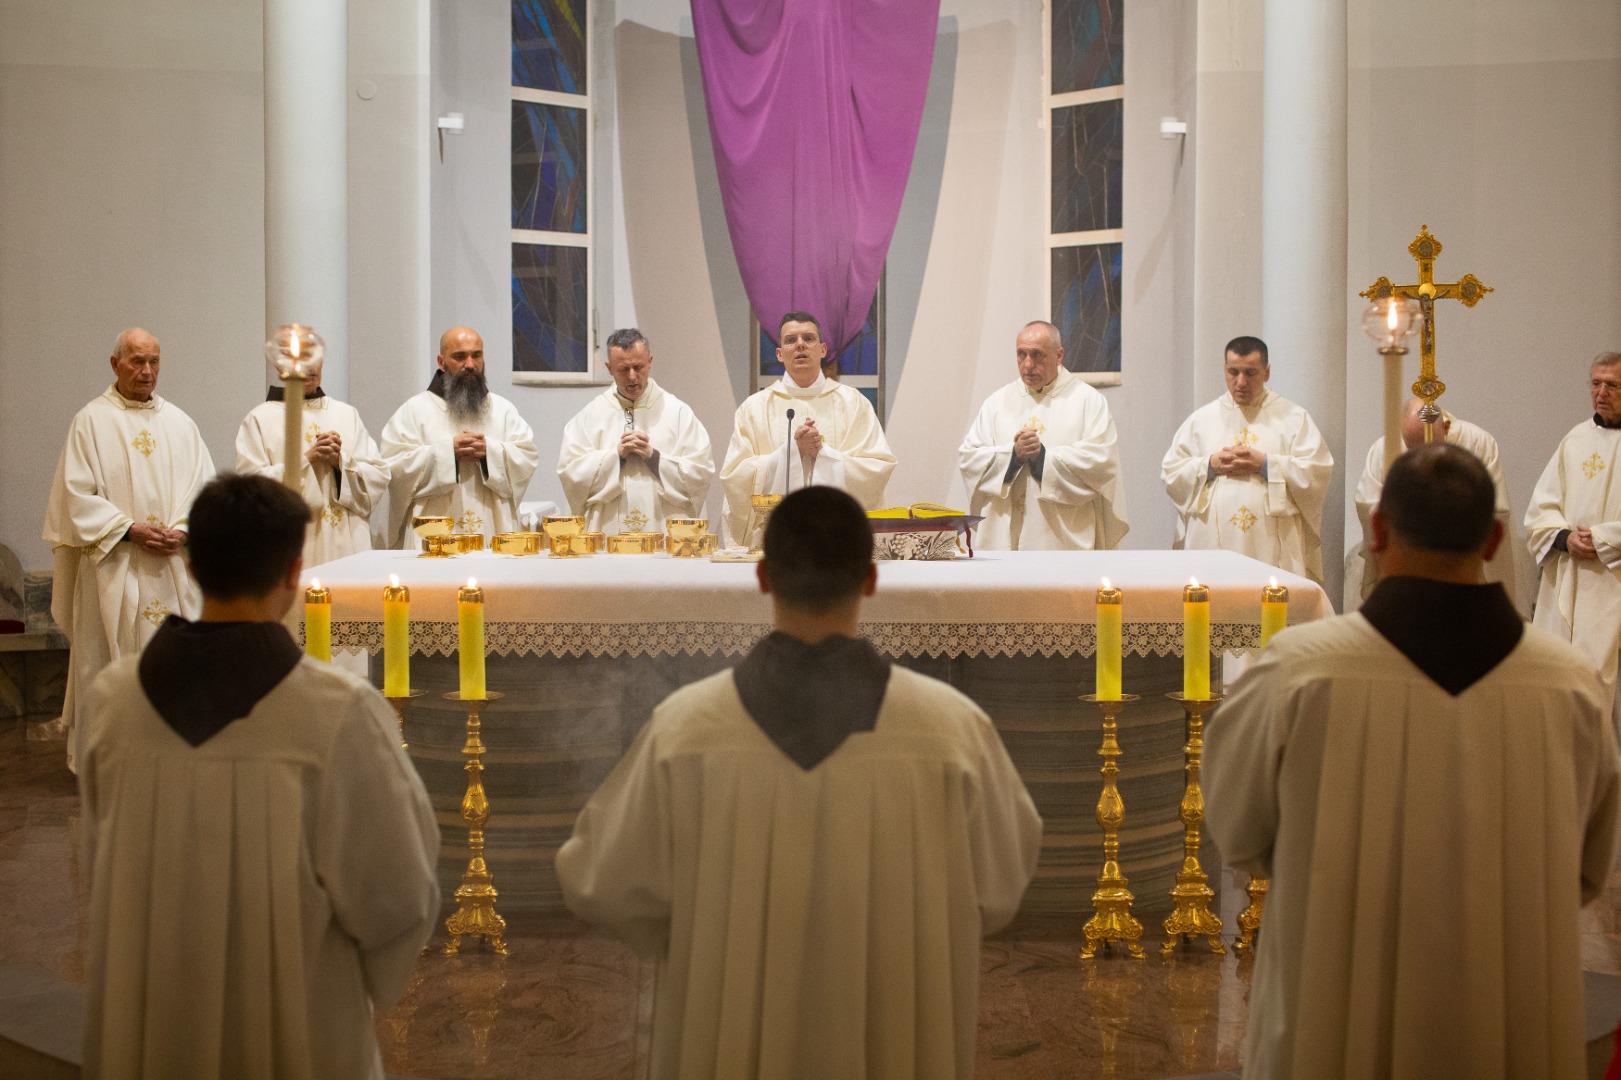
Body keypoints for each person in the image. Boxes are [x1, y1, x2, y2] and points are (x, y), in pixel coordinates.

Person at [556, 486, 1042, 1080]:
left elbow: (602, 882)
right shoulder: (953, 733)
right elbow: (1001, 882)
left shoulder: (684, 731)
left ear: (762, 576)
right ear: (870, 579)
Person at [1206, 443, 1621, 1080]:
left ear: (1377, 530)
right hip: (1506, 1007)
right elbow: (1585, 870)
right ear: (1493, 540)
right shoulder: (1569, 687)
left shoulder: (1298, 672)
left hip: (1333, 1007)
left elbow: (1237, 831)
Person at [77, 473, 440, 1080]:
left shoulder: (112, 701)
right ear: (295, 571)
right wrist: (378, 976)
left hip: (150, 1018)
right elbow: (398, 894)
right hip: (294, 1026)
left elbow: (101, 860)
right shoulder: (338, 712)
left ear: (191, 565)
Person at [42, 328, 215, 772]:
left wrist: (184, 528)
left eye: (154, 361)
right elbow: (75, 496)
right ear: (115, 364)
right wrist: (128, 529)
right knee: (109, 665)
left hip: (173, 571)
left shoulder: (181, 424)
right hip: (113, 567)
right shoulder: (90, 422)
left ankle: (179, 759)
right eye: (137, 361)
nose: (147, 371)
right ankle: (111, 764)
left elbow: (204, 489)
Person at [1160, 336, 1333, 584]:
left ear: (1267, 372)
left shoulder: (1293, 419)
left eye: (1250, 373)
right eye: (1233, 372)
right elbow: (1171, 472)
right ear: (1224, 369)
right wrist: (1210, 465)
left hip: (1271, 547)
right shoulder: (1201, 421)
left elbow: (1316, 472)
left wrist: (1265, 464)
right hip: (1211, 546)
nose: (1241, 382)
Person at [718, 312, 895, 546]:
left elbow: (877, 467)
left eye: (809, 338)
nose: (800, 345)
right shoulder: (754, 408)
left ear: (822, 349)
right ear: (779, 354)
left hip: (838, 539)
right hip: (777, 541)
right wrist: (792, 451)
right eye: (791, 340)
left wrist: (823, 453)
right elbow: (734, 476)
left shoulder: (853, 403)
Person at [956, 320, 1129, 549]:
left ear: (1059, 355)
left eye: (1037, 355)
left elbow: (1102, 463)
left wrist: (1043, 459)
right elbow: (969, 459)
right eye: (1021, 354)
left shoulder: (1088, 401)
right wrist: (1013, 456)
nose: (1028, 364)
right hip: (1003, 545)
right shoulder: (996, 403)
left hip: (1061, 545)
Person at [1346, 396, 1528, 611]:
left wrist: (1443, 523)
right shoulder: (1385, 448)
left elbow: (1497, 509)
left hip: (1462, 566)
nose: (1423, 456)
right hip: (1406, 562)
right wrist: (1408, 522)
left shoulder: (1479, 443)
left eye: (1429, 446)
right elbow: (1367, 503)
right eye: (1413, 448)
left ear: (1446, 426)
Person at [380, 326, 539, 546]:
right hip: (434, 535)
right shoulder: (413, 411)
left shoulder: (503, 410)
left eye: (477, 355)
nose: (470, 365)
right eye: (460, 356)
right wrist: (447, 453)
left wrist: (489, 453)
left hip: (493, 528)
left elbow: (526, 457)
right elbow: (393, 468)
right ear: (441, 362)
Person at [1526, 352, 1621, 715]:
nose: (1601, 393)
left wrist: (1604, 539)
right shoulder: (1575, 440)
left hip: (1613, 579)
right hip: (1571, 578)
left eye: (1612, 385)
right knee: (1562, 678)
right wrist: (1565, 538)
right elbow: (1541, 509)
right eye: (1595, 383)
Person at [235, 352, 390, 566]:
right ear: (279, 365)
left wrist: (340, 463)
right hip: (292, 544)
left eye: (314, 357)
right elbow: (249, 491)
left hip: (347, 545)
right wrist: (306, 460)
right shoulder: (259, 418)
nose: (310, 366)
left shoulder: (346, 414)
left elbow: (378, 475)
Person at [557, 328, 715, 534]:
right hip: (608, 534)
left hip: (664, 532)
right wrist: (615, 457)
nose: (632, 376)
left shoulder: (679, 414)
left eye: (638, 367)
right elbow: (571, 475)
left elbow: (700, 474)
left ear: (650, 361)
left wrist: (654, 457)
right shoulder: (589, 417)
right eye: (624, 369)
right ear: (609, 368)